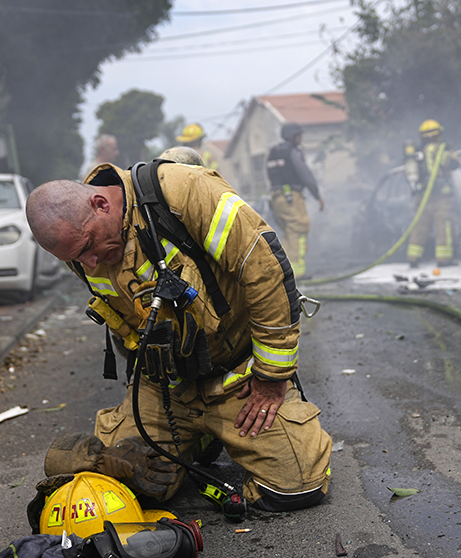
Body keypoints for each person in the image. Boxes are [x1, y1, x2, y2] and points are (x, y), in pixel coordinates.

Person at [25, 161, 332, 512]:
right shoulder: (82, 248)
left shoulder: (183, 191)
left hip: (239, 378)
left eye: (89, 245)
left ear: (100, 204)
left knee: (297, 487)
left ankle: (207, 435)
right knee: (120, 487)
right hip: (167, 386)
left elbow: (265, 270)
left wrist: (271, 376)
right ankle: (194, 438)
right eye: (77, 257)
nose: (91, 262)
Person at [265, 123, 324, 279]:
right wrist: (317, 195)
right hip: (290, 196)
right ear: (292, 136)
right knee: (298, 228)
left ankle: (286, 270)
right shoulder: (292, 151)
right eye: (299, 135)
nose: (301, 138)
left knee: (289, 232)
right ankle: (296, 273)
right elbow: (304, 173)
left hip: (276, 197)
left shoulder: (273, 152)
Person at [405, 119, 461, 269]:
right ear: (437, 135)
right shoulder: (438, 149)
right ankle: (444, 260)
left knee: (420, 227)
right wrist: (450, 152)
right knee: (444, 226)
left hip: (422, 197)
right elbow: (454, 163)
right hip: (440, 197)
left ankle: (413, 258)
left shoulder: (419, 152)